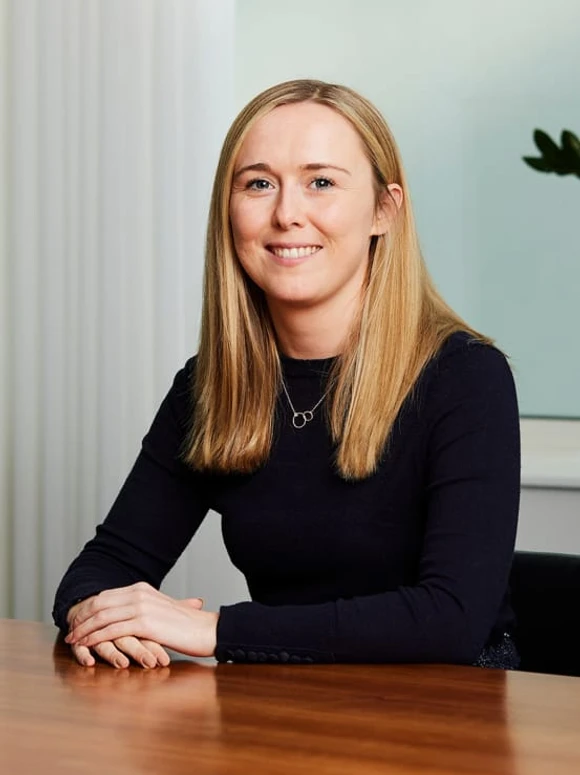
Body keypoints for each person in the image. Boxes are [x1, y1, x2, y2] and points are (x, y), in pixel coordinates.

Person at [54, 79, 520, 670]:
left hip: (445, 716)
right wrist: (99, 616)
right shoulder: (211, 387)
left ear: (384, 209)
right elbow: (105, 565)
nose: (286, 214)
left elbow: (450, 621)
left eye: (320, 182)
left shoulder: (466, 378)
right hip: (284, 706)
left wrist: (214, 630)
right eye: (258, 183)